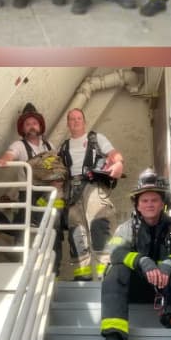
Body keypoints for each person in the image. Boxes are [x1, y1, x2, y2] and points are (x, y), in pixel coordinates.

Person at [100, 170, 171, 340]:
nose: (149, 204)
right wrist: (142, 261)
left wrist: (170, 264)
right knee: (115, 271)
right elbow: (116, 252)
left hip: (170, 287)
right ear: (137, 205)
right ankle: (114, 338)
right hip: (140, 289)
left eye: (154, 200)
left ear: (162, 204)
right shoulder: (127, 228)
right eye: (144, 200)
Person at [0, 102, 67, 272]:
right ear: (23, 128)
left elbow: (58, 167)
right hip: (28, 195)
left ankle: (53, 271)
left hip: (49, 194)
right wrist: (4, 160)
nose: (32, 126)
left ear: (40, 126)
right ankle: (23, 270)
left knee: (53, 230)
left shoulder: (49, 146)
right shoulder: (19, 146)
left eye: (34, 123)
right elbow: (10, 154)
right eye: (27, 124)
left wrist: (58, 180)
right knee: (26, 232)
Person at [57, 107, 124, 280]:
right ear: (68, 124)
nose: (75, 121)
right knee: (76, 234)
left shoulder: (96, 138)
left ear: (84, 122)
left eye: (78, 118)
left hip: (93, 186)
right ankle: (82, 277)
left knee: (99, 225)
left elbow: (114, 154)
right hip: (72, 191)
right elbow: (59, 172)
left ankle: (106, 275)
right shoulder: (64, 147)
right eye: (72, 119)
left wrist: (119, 164)